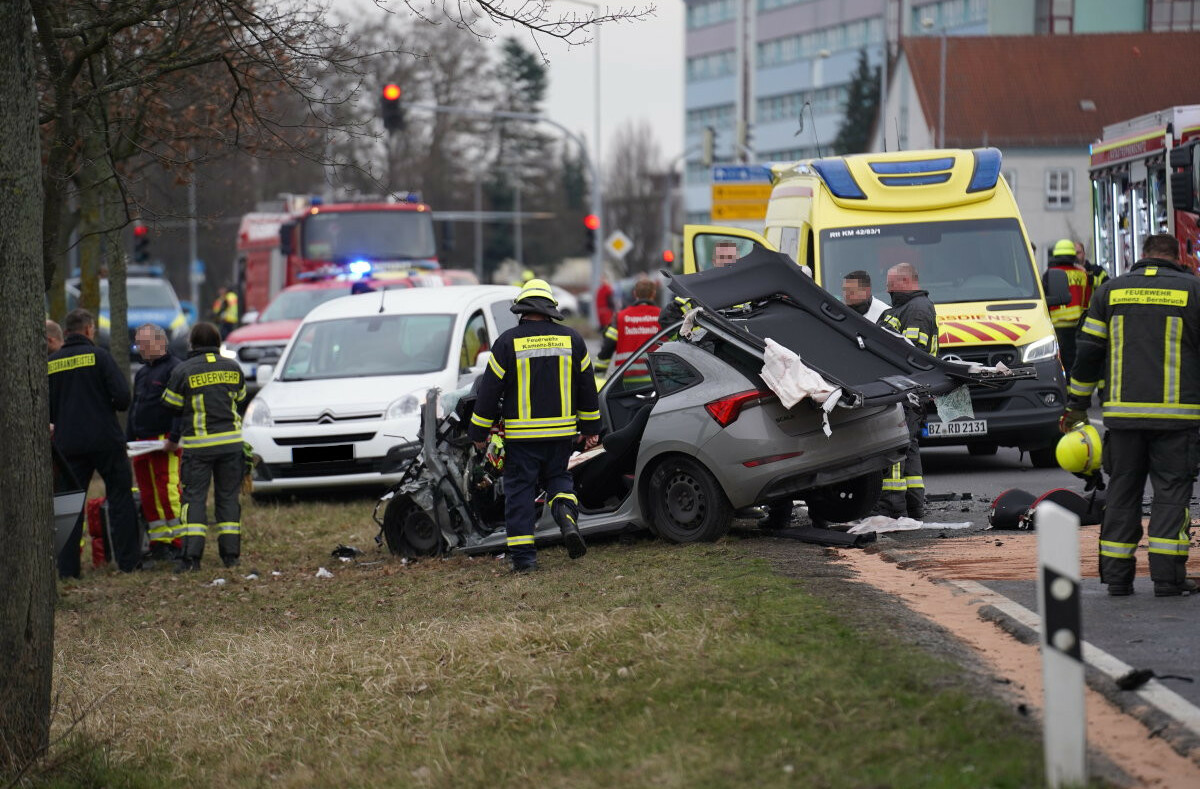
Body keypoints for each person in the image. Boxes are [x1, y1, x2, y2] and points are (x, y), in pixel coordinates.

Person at [1064, 233, 1200, 597]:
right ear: (1176, 258)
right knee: (1171, 496)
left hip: (1123, 421)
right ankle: (1168, 580)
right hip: (1177, 420)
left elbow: (1088, 354)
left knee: (1122, 495)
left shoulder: (1111, 291)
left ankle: (1118, 578)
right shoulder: (1193, 291)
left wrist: (1075, 406)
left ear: (1142, 256)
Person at [467, 279, 601, 572]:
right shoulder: (573, 340)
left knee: (520, 494)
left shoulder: (506, 343)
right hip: (562, 435)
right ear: (549, 308)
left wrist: (477, 433)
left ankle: (525, 561)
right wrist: (591, 429)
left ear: (523, 310)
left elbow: (488, 393)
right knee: (561, 482)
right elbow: (588, 389)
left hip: (522, 440)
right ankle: (566, 518)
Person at [48, 308, 140, 577]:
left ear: (66, 331)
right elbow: (123, 397)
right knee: (120, 497)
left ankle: (67, 570)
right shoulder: (100, 357)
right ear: (89, 329)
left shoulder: (52, 363)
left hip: (68, 445)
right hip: (105, 440)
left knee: (68, 506)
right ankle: (128, 562)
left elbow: (46, 408)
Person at [162, 322, 248, 570]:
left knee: (194, 500)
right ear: (218, 342)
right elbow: (240, 399)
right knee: (228, 499)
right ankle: (231, 557)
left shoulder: (184, 370)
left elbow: (170, 404)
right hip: (231, 445)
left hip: (199, 447)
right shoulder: (233, 367)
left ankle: (191, 558)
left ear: (192, 343)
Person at [875, 262, 939, 520]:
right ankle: (913, 506)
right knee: (908, 446)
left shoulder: (917, 310)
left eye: (891, 285)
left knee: (896, 446)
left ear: (904, 281)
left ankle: (892, 505)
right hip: (904, 390)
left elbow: (911, 354)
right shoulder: (902, 308)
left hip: (907, 391)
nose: (888, 290)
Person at [128, 324, 184, 562]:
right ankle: (159, 542)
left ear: (160, 342)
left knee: (168, 491)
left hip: (164, 441)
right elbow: (135, 407)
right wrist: (128, 439)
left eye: (144, 343)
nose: (139, 348)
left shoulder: (175, 369)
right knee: (148, 493)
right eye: (138, 343)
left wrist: (174, 437)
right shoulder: (142, 373)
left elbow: (180, 408)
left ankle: (180, 542)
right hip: (142, 442)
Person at [659, 239, 741, 330]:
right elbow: (667, 319)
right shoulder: (701, 286)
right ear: (714, 261)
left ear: (739, 260)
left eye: (730, 257)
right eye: (721, 257)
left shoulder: (749, 287)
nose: (726, 261)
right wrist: (688, 339)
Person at [596, 278, 662, 384]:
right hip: (657, 382)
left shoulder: (620, 317)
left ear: (635, 294)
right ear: (653, 294)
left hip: (626, 382)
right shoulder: (662, 316)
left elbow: (607, 347)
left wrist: (598, 375)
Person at [1045, 238, 1091, 374]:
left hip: (1057, 327)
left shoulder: (1050, 274)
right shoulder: (1082, 274)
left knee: (1060, 362)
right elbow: (1086, 302)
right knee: (1075, 362)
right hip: (1078, 326)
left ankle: (1065, 389)